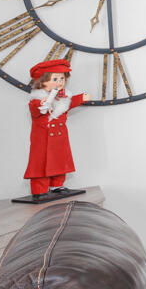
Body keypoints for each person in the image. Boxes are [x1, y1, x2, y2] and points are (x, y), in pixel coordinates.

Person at [25, 59, 88, 198]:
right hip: (43, 139)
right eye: (55, 78)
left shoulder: (63, 98)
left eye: (62, 78)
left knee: (60, 162)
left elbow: (67, 105)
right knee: (41, 164)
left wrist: (80, 98)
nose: (60, 82)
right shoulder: (36, 100)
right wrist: (43, 103)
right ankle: (39, 190)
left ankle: (57, 185)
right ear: (42, 81)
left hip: (60, 139)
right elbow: (37, 110)